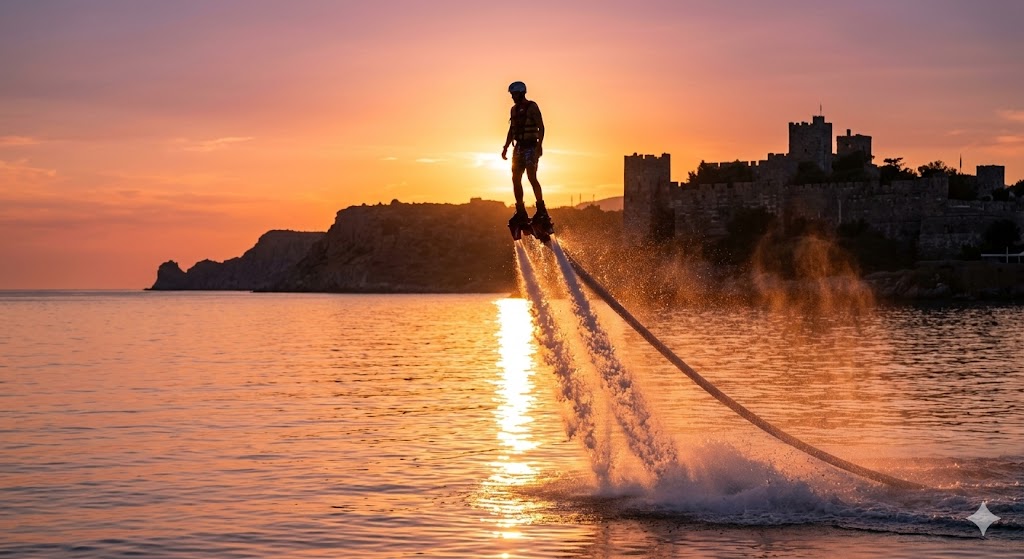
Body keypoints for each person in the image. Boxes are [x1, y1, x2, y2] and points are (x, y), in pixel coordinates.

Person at [502, 81, 551, 236]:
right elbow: (512, 129)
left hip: (531, 146)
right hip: (519, 147)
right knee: (515, 179)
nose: (513, 97)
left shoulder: (532, 107)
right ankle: (520, 210)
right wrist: (505, 147)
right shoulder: (513, 110)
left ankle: (541, 208)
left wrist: (539, 146)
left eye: (514, 94)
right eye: (511, 94)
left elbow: (541, 127)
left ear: (522, 93)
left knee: (531, 177)